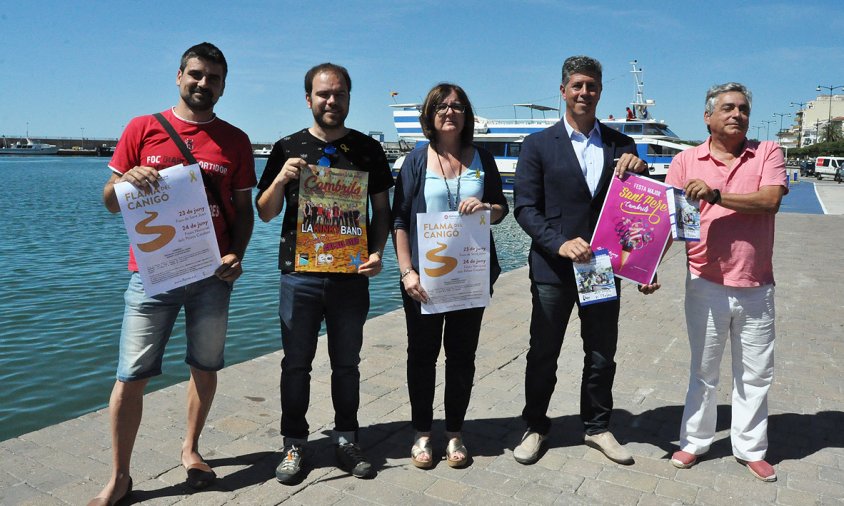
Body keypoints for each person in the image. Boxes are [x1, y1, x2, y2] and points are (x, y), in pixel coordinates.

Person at [89, 42, 255, 505]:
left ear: (224, 84)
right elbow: (107, 200)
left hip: (212, 276)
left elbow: (243, 212)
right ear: (179, 75)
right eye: (196, 74)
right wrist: (124, 180)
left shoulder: (236, 140)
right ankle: (120, 475)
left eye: (214, 78)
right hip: (151, 274)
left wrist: (236, 255)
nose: (204, 84)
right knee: (130, 374)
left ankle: (191, 449)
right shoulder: (142, 128)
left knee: (205, 367)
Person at [512, 55, 656, 467]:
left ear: (599, 91)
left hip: (602, 269)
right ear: (563, 91)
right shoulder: (538, 145)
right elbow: (525, 208)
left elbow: (636, 215)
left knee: (600, 353)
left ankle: (597, 426)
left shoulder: (621, 146)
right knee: (543, 352)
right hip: (554, 270)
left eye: (591, 86)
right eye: (577, 86)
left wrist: (639, 171)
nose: (584, 93)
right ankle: (535, 426)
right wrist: (558, 243)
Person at [255, 62, 393, 484]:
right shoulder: (286, 147)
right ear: (308, 98)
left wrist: (376, 251)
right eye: (323, 94)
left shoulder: (368, 150)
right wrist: (280, 178)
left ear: (349, 97)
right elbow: (263, 212)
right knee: (296, 364)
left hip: (350, 275)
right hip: (299, 275)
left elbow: (383, 212)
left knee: (346, 363)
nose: (331, 101)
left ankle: (346, 437)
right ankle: (294, 443)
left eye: (340, 94)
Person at [665, 83, 787, 482]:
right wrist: (644, 271)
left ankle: (750, 447)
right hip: (705, 282)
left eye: (744, 109)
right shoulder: (685, 160)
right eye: (728, 108)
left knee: (755, 373)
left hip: (756, 285)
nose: (737, 115)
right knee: (703, 370)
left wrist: (717, 195)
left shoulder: (767, 152)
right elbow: (666, 221)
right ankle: (694, 442)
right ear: (708, 117)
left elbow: (770, 200)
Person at [392, 83, 509, 469]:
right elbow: (399, 220)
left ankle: (455, 432)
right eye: (441, 106)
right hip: (424, 281)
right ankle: (422, 433)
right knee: (421, 357)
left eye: (457, 106)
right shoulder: (415, 161)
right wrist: (407, 271)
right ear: (430, 114)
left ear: (466, 115)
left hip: (470, 278)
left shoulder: (483, 159)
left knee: (462, 357)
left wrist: (486, 207)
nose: (449, 112)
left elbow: (501, 210)